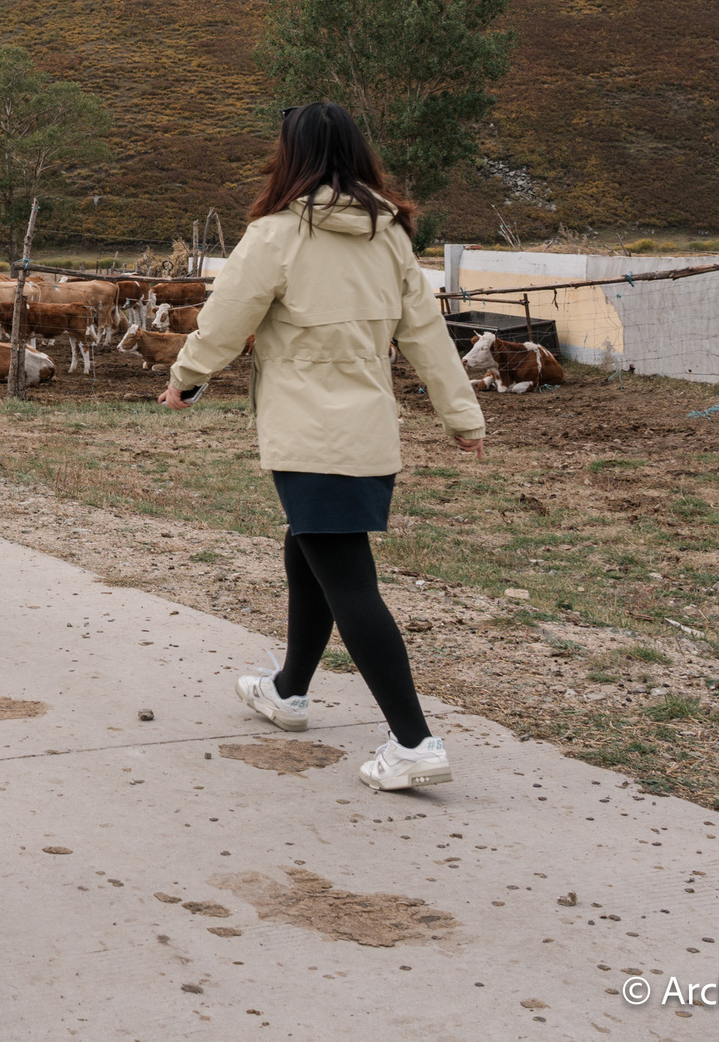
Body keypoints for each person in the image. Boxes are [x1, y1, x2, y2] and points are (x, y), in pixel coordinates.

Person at [159, 101, 487, 793]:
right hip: (368, 432)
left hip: (309, 432)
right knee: (308, 545)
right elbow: (426, 333)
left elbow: (225, 318)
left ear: (292, 155)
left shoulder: (276, 233)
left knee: (350, 583)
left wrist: (186, 376)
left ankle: (413, 740)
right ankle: (289, 689)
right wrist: (462, 415)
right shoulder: (389, 235)